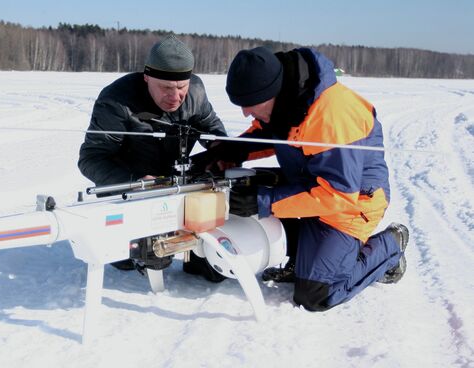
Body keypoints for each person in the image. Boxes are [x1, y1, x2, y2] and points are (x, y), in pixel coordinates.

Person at [217, 46, 410, 311]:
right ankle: (302, 253)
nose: (245, 114)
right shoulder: (286, 101)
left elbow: (338, 195)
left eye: (251, 105)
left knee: (315, 294)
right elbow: (269, 134)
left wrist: (265, 202)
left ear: (272, 91)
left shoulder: (333, 115)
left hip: (351, 204)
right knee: (245, 182)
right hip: (310, 183)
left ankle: (390, 245)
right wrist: (230, 149)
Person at [78, 35, 227, 281]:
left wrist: (221, 152)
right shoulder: (116, 101)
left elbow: (214, 132)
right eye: (166, 88)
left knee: (213, 269)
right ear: (146, 77)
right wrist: (136, 182)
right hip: (131, 188)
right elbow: (91, 158)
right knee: (147, 259)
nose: (176, 96)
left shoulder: (196, 94)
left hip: (175, 181)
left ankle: (200, 254)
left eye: (181, 87)